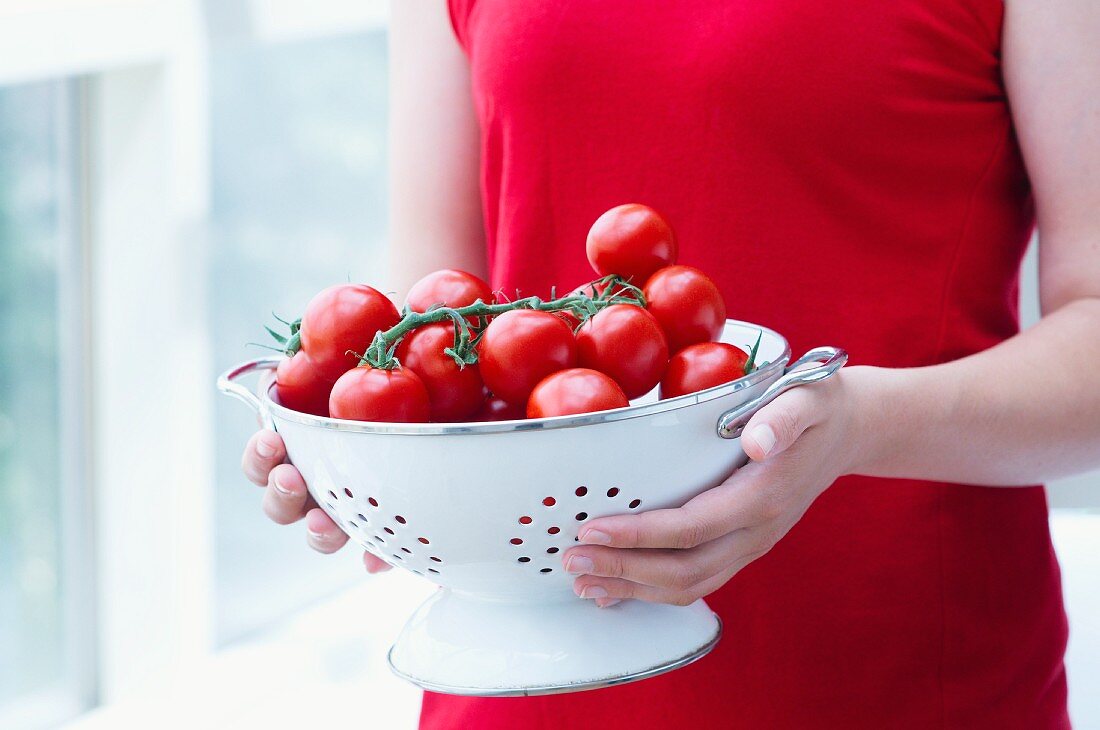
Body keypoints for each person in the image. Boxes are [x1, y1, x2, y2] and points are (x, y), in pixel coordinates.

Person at [240, 1, 1099, 727]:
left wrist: (858, 424)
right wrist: (351, 438)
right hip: (524, 675)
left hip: (894, 668)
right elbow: (433, 308)